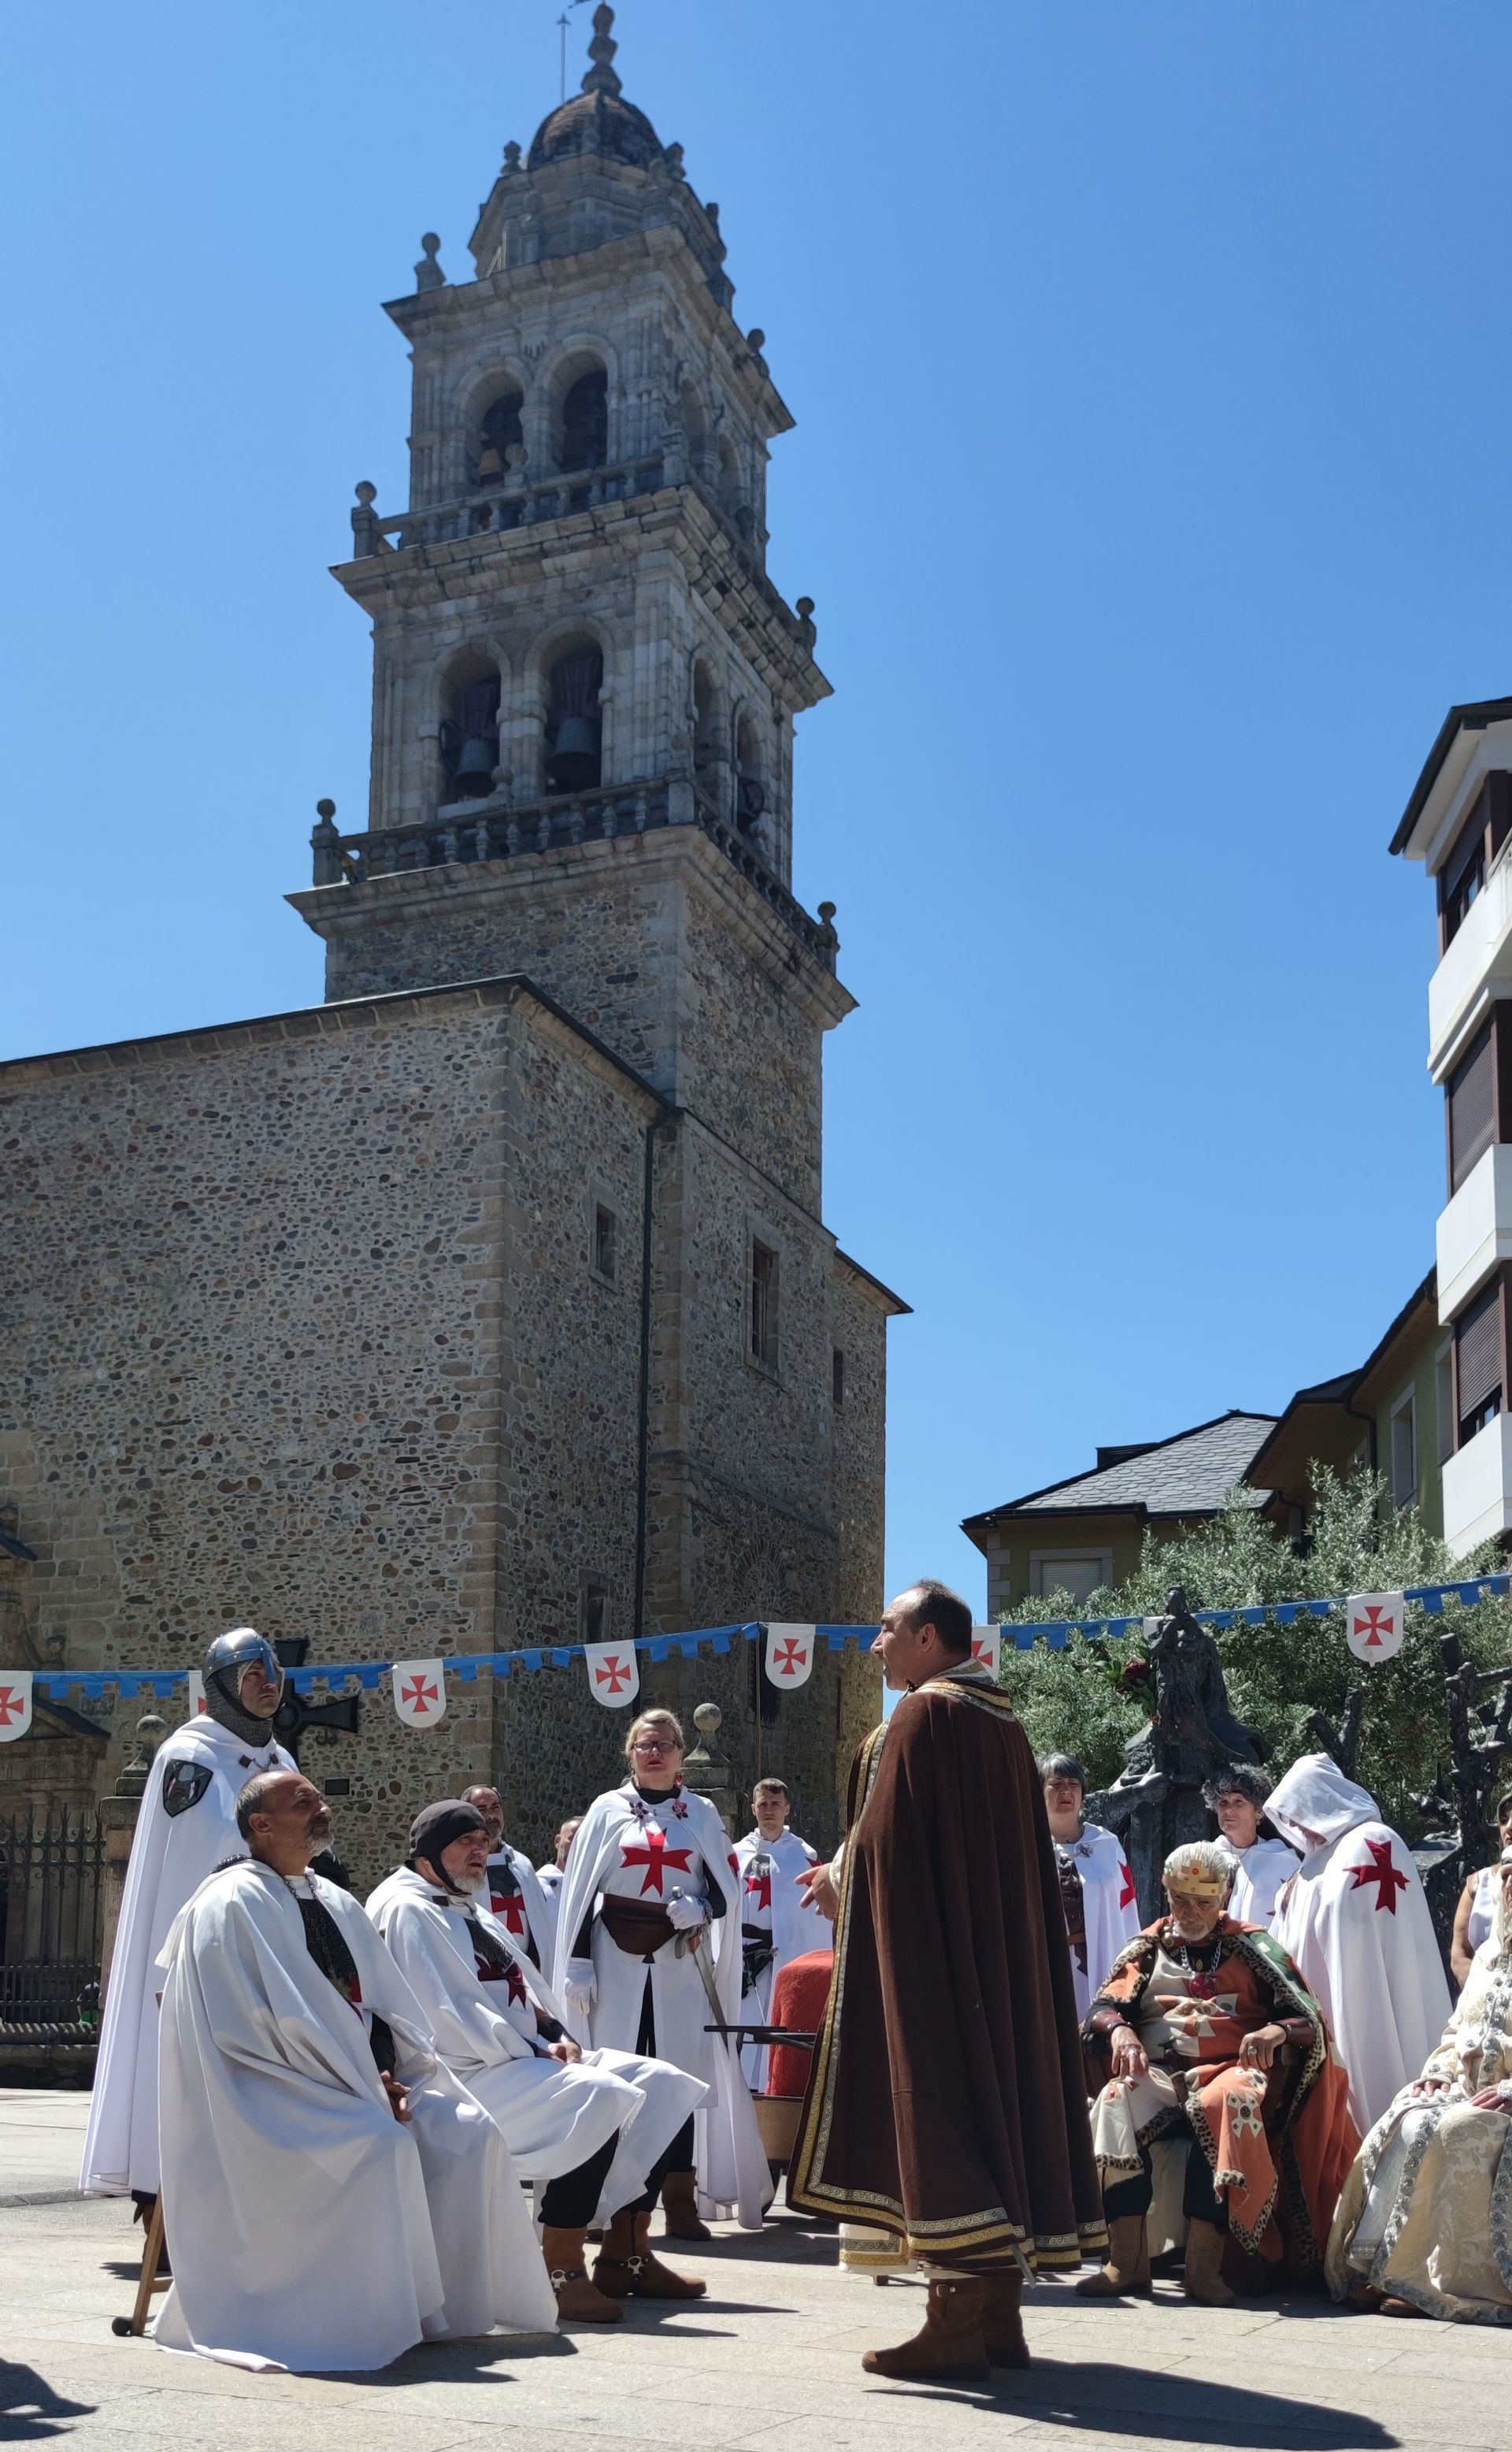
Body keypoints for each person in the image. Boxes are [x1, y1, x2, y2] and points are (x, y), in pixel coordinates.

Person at [787, 1580, 1107, 2384]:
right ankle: (998, 2317)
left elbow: (890, 1841)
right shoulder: (1003, 1721)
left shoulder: (924, 1714)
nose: (876, 1644)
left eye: (887, 1628)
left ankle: (956, 2321)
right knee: (990, 2099)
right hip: (993, 1960)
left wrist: (839, 1880)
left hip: (936, 1961)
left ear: (927, 1637)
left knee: (942, 2105)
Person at [154, 1769, 556, 2370]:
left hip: (353, 2081)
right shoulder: (231, 1901)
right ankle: (361, 2318)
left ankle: (445, 2312)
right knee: (380, 2145)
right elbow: (257, 2030)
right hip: (264, 2095)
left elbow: (382, 2009)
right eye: (303, 1801)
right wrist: (368, 2087)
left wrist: (390, 2074)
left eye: (320, 1797)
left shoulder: (333, 1898)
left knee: (469, 2132)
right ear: (261, 1824)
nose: (322, 1807)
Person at [368, 1799, 708, 2320]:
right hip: (457, 2072)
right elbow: (444, 2013)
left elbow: (526, 1993)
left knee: (665, 2083)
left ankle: (627, 2256)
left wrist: (557, 2033)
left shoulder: (464, 1906)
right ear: (427, 1854)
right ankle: (560, 2269)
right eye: (465, 1842)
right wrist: (535, 2048)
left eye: (483, 1841)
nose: (480, 1851)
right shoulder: (406, 1909)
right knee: (598, 2095)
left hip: (511, 2056)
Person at [1078, 1839, 1358, 2306]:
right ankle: (1126, 2263)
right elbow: (1103, 2006)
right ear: (1166, 1891)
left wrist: (1275, 2031)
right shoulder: (1148, 1948)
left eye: (1202, 1902)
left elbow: (1307, 2019)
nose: (1190, 1912)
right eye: (1180, 1900)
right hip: (1161, 2073)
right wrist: (1120, 2031)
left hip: (1233, 2071)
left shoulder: (1254, 1947)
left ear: (1224, 1895)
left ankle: (1204, 2268)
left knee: (1221, 2103)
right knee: (1113, 2101)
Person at [81, 1627, 296, 2212]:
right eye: (252, 1674)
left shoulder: (280, 1759)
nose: (268, 1683)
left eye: (272, 1672)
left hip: (269, 1943)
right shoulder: (191, 1756)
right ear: (222, 1687)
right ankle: (169, 2206)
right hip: (202, 1946)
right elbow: (201, 1853)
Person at [551, 1707, 771, 2236]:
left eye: (665, 1744)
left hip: (678, 1962)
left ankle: (678, 2202)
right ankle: (603, 2203)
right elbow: (580, 1893)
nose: (655, 1752)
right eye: (645, 1744)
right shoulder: (605, 1810)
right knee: (612, 2079)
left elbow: (726, 1888)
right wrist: (578, 1960)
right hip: (613, 1959)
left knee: (677, 2080)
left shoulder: (700, 1813)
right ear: (630, 1753)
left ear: (680, 1755)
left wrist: (703, 1907)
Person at [1327, 1845, 1512, 2321]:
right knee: (1407, 2115)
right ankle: (1375, 2263)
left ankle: (1427, 2278)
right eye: (1508, 1875)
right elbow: (1458, 2029)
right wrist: (1438, 2073)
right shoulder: (1490, 1956)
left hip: (1506, 2100)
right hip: (1470, 2087)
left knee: (1457, 2130)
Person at [1267, 1753, 1451, 2135]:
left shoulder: (1372, 1841)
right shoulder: (1310, 1866)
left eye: (1300, 1812)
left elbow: (1355, 1922)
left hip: (1367, 1990)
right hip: (1323, 2009)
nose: (1296, 1826)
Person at [1040, 1751, 1140, 2022]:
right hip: (1048, 1966)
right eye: (1056, 1784)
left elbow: (1127, 1910)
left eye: (1073, 1785)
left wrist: (1135, 1964)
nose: (1066, 1791)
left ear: (1082, 1794)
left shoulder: (1106, 1845)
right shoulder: (1027, 1849)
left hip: (1106, 1957)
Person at [733, 1778, 818, 2091]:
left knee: (781, 2023)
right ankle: (744, 2090)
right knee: (743, 2026)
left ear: (787, 1809)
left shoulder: (804, 1856)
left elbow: (815, 1915)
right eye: (763, 1804)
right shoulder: (736, 1855)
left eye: (776, 1804)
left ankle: (776, 2090)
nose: (769, 1810)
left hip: (789, 1955)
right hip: (746, 1958)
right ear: (753, 1809)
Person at [461, 1783, 558, 1969]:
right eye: (482, 1809)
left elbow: (541, 1926)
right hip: (483, 1970)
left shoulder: (522, 1865)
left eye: (495, 1807)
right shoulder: (462, 1866)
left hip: (527, 1969)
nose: (491, 1815)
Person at [1204, 1763, 1298, 1927]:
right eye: (1223, 1803)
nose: (1228, 1810)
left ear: (1259, 1811)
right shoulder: (1204, 1857)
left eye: (1238, 1802)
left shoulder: (1284, 1862)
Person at [1450, 1788, 1512, 1986]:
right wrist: (1487, 1991)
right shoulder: (1478, 1884)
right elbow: (1459, 1955)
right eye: (1504, 1820)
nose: (1509, 1827)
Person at [538, 1815, 584, 1907]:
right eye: (573, 1838)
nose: (579, 1845)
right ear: (558, 1841)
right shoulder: (536, 1885)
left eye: (585, 1841)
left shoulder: (596, 1891)